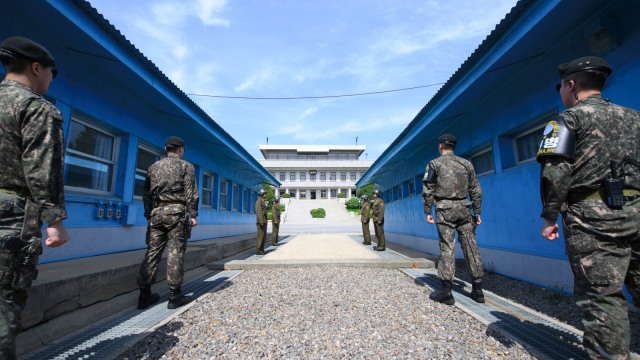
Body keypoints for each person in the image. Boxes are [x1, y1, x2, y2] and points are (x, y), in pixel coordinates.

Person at [537, 56, 640, 359]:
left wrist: (549, 216)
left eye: (561, 86)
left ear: (570, 85)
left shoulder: (566, 120)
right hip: (637, 211)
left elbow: (554, 174)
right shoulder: (635, 117)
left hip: (592, 217)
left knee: (602, 297)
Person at [0, 36, 70, 359]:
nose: (52, 77)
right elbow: (42, 169)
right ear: (36, 67)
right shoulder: (36, 108)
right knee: (4, 309)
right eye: (51, 71)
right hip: (13, 219)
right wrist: (54, 221)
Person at [137, 136, 198, 310]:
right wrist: (193, 214)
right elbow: (191, 193)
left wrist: (149, 215)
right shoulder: (186, 166)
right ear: (180, 149)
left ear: (166, 149)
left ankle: (144, 296)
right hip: (177, 214)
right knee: (175, 253)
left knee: (152, 253)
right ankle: (174, 296)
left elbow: (146, 194)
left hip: (156, 214)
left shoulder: (153, 167)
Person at [422, 134, 484, 306]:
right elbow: (476, 190)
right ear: (453, 146)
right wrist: (477, 212)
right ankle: (478, 291)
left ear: (440, 146)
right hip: (465, 208)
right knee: (471, 246)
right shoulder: (466, 164)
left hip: (444, 209)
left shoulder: (435, 164)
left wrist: (427, 210)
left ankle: (446, 292)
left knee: (447, 247)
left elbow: (428, 189)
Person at [255, 189, 267, 255]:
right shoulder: (258, 201)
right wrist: (261, 221)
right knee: (260, 236)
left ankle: (262, 249)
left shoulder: (263, 201)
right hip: (261, 221)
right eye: (264, 193)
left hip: (264, 221)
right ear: (261, 194)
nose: (265, 194)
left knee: (264, 236)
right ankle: (258, 250)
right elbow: (259, 212)